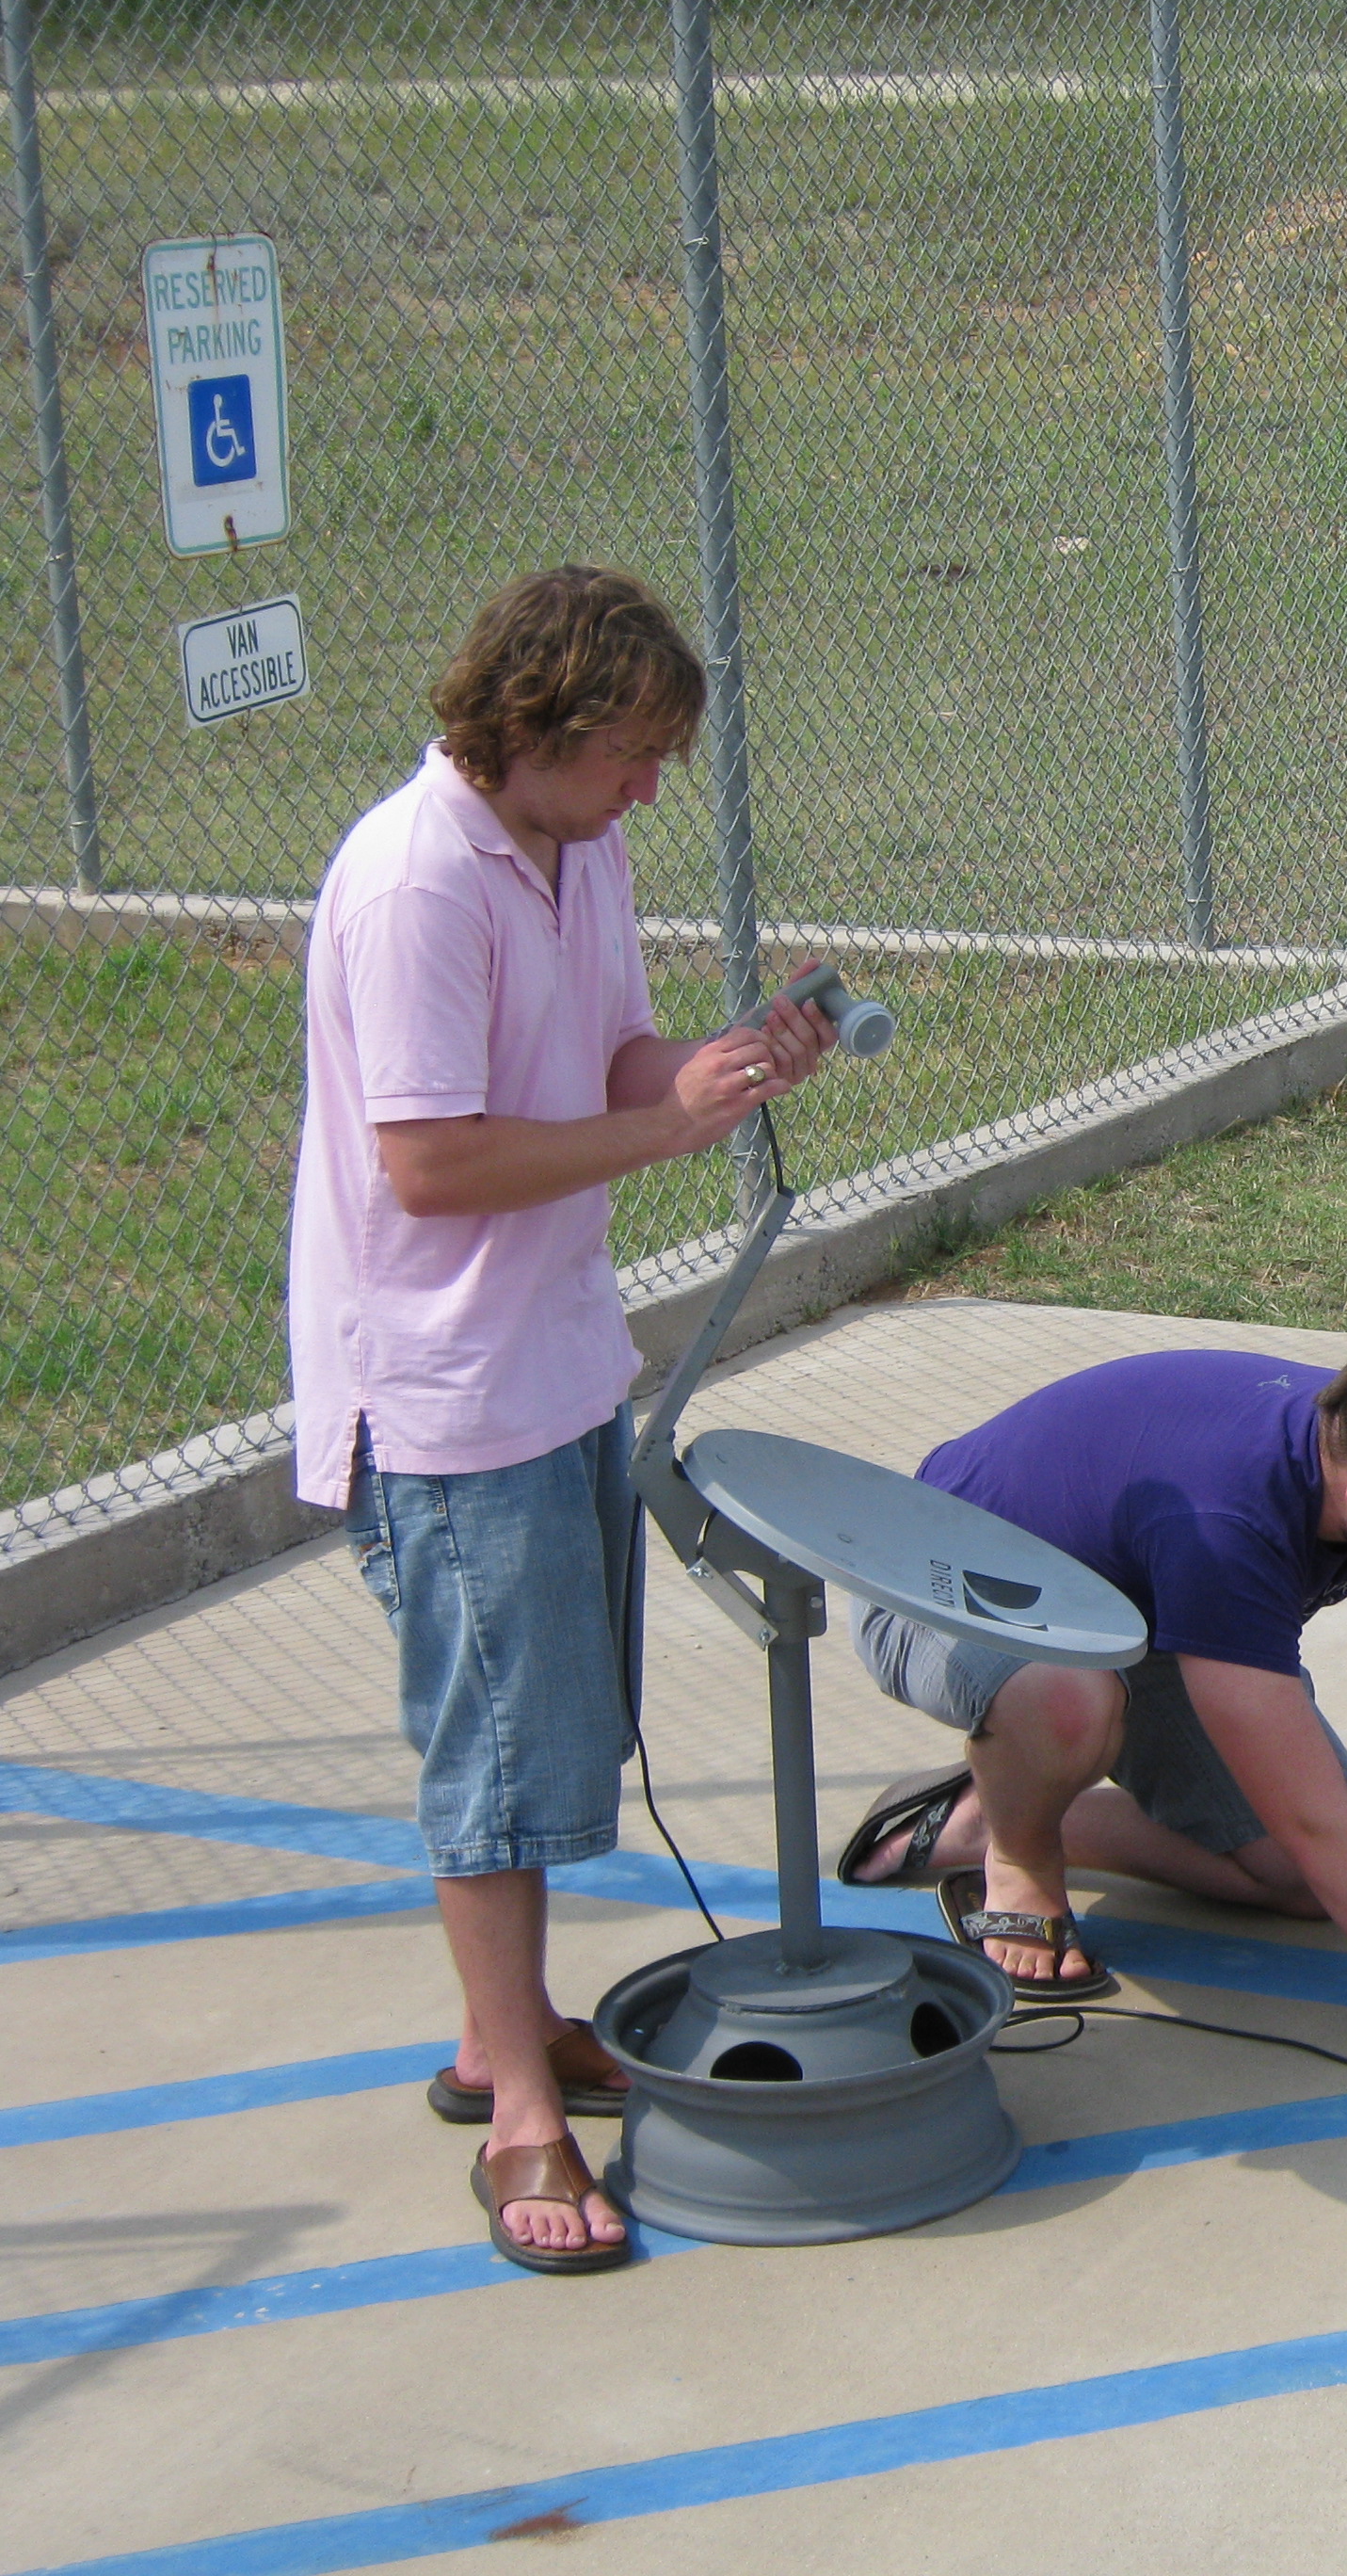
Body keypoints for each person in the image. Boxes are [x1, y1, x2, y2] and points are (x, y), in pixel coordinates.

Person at [291, 565, 839, 2273]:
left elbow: (607, 1063)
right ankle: (521, 2114)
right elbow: (431, 1159)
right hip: (444, 1395)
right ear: (536, 725)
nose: (649, 790)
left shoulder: (575, 850)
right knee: (500, 1763)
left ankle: (496, 2038)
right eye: (631, 753)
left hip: (553, 1359)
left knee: (555, 1736)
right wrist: (665, 1133)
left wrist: (716, 1067)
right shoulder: (410, 884)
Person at [837, 1333, 1347, 2052]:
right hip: (938, 1577)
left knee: (1300, 1883)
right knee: (1070, 1702)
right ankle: (1021, 1856)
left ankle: (973, 1815)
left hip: (1130, 1605)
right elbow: (1316, 1817)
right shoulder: (1228, 1524)